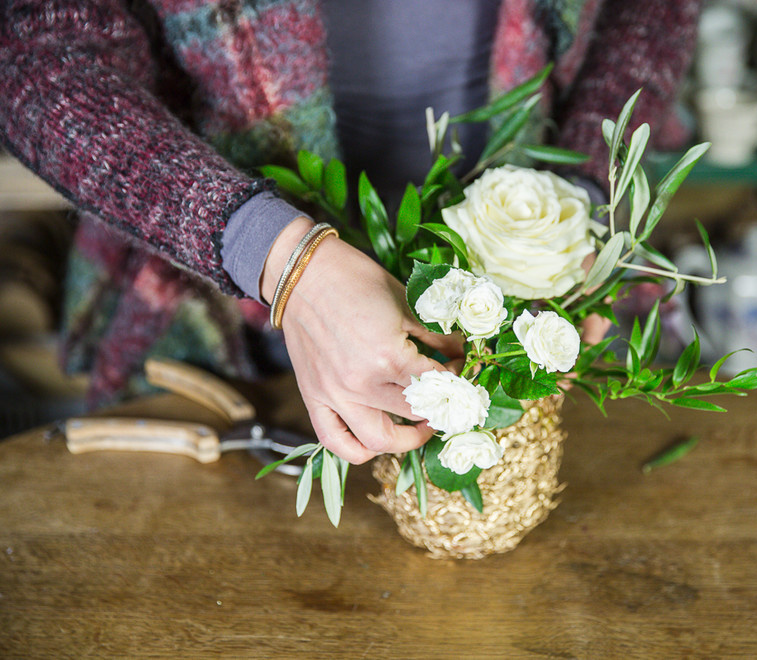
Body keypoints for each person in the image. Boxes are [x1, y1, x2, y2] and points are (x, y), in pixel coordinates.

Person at [0, 0, 700, 464]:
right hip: (208, 312)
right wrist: (279, 258)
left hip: (550, 296)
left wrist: (573, 206)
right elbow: (37, 58)